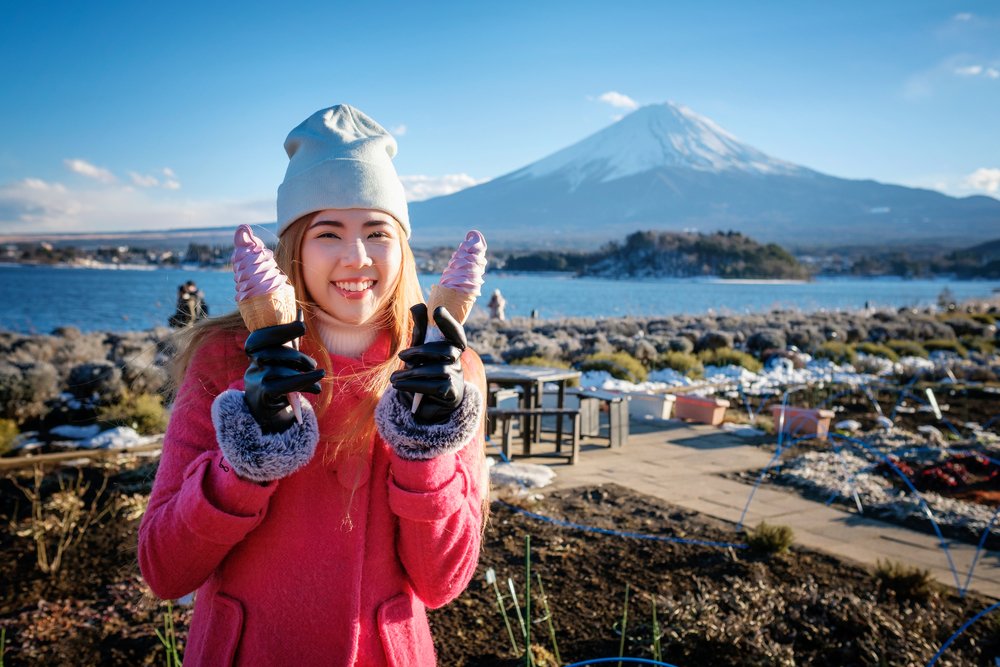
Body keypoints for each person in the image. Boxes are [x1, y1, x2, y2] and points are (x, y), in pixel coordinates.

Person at [139, 104, 487, 666]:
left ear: (402, 246)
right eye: (329, 233)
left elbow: (442, 581)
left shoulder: (447, 371)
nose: (357, 257)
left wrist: (425, 445)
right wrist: (245, 460)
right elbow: (164, 569)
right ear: (294, 245)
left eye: (377, 232)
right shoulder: (227, 360)